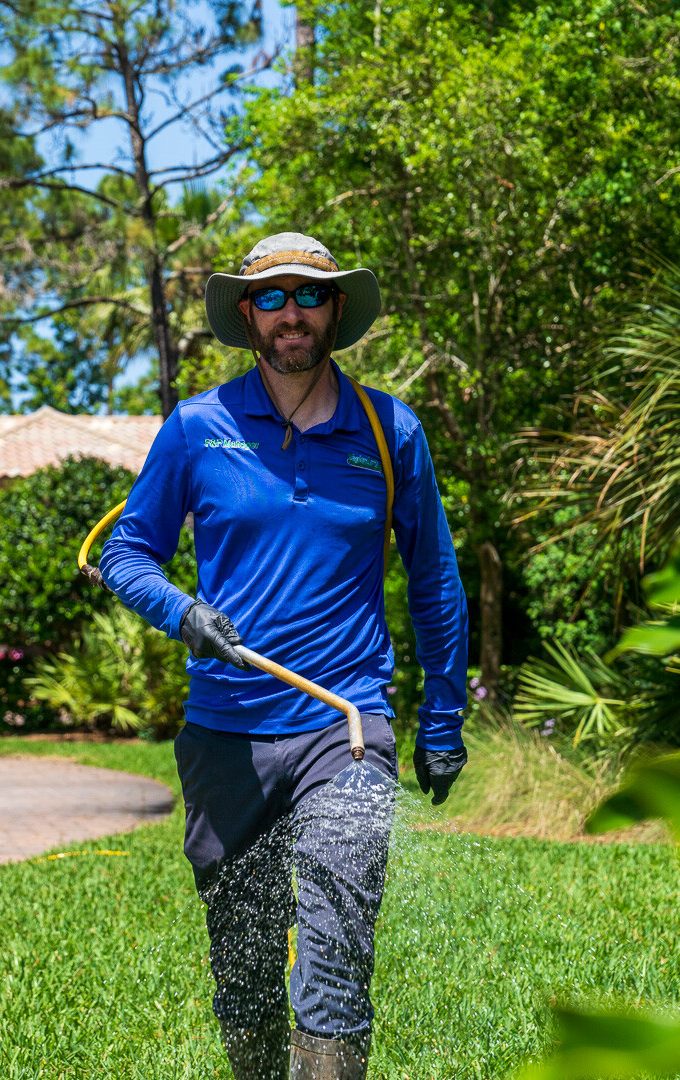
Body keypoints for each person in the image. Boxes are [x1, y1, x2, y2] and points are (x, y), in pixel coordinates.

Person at [98, 233, 469, 1080]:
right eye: (272, 298)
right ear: (246, 314)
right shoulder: (199, 427)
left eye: (308, 294)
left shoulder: (389, 430)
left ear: (337, 308)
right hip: (224, 733)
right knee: (246, 971)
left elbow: (437, 582)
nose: (291, 312)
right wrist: (182, 612)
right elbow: (126, 553)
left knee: (336, 960)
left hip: (346, 730)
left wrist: (441, 717)